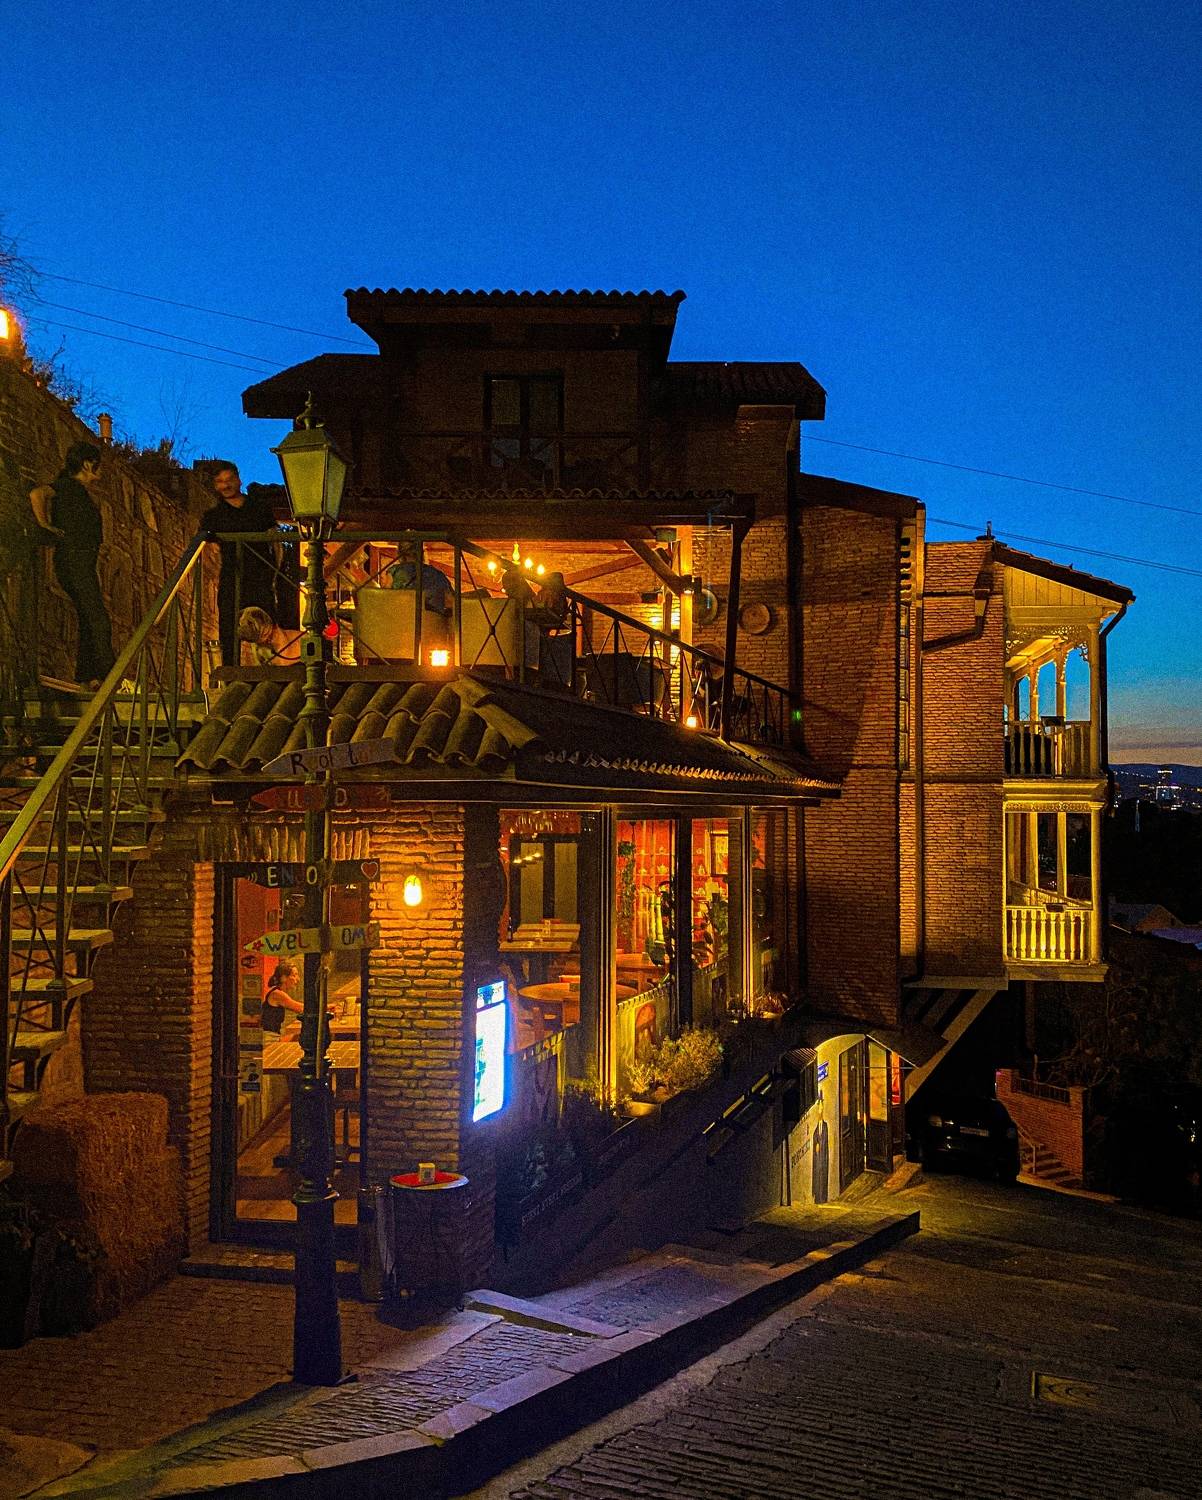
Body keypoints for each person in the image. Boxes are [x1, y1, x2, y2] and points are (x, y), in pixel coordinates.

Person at [31, 441, 115, 689]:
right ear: (88, 464)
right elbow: (37, 494)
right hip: (74, 560)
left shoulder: (77, 491)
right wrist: (44, 525)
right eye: (98, 464)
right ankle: (110, 676)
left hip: (81, 562)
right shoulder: (68, 486)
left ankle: (89, 677)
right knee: (98, 619)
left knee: (89, 617)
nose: (101, 470)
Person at [201, 462, 280, 666]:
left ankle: (272, 669)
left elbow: (275, 541)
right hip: (231, 577)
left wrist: (274, 572)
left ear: (238, 480)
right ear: (215, 486)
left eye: (229, 480)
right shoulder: (213, 516)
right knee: (229, 626)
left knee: (266, 625)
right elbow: (206, 548)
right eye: (220, 481)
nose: (225, 485)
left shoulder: (259, 509)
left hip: (260, 576)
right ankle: (231, 672)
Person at [387, 542, 454, 616]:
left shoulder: (394, 572)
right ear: (422, 553)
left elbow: (385, 599)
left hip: (400, 618)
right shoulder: (438, 575)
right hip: (431, 620)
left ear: (400, 554)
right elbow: (451, 601)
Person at [260, 961, 303, 1035]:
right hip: (270, 1037)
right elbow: (300, 1008)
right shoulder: (277, 994)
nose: (298, 979)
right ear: (283, 978)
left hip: (273, 1035)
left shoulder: (278, 992)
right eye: (294, 975)